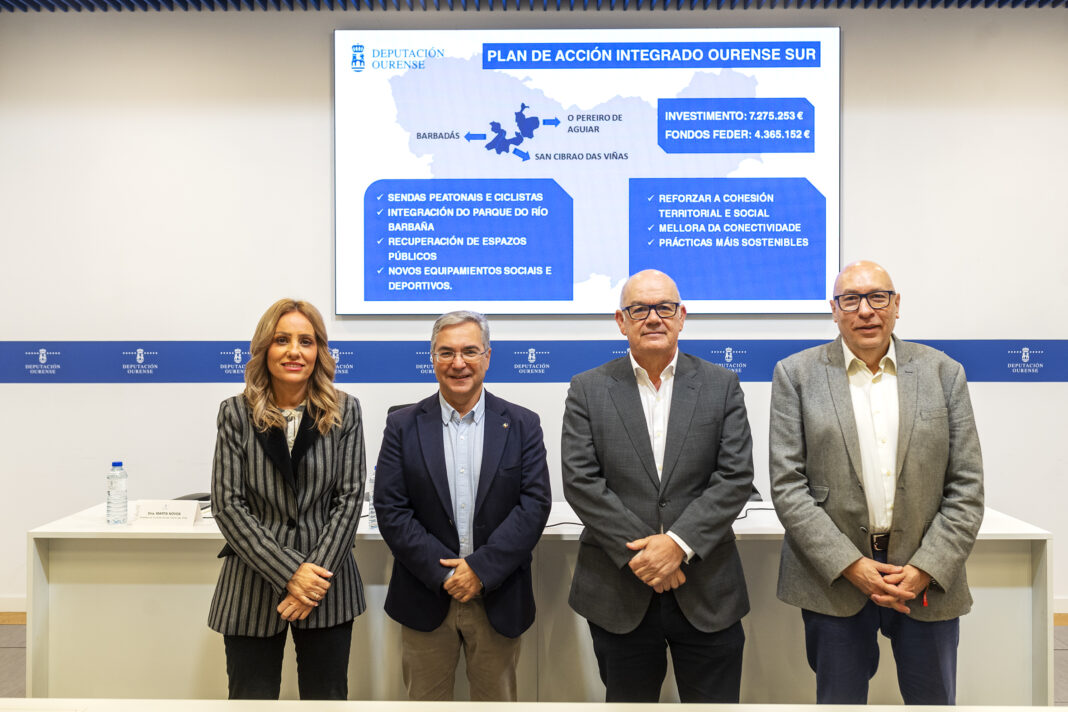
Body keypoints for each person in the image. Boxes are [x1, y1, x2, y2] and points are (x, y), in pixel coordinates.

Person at [769, 260, 984, 704]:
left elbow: (967, 485)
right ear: (834, 310)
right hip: (835, 578)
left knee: (933, 701)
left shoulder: (943, 372)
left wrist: (927, 567)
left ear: (896, 304)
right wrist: (851, 564)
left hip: (924, 574)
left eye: (877, 298)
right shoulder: (796, 375)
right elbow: (788, 486)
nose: (865, 310)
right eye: (851, 300)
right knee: (840, 701)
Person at [562, 269, 755, 703]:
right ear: (621, 321)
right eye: (639, 309)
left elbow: (735, 476)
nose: (653, 318)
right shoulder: (587, 389)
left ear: (681, 316)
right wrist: (651, 555)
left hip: (707, 589)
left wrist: (677, 546)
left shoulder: (722, 385)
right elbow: (581, 482)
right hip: (618, 591)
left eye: (664, 308)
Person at [374, 310, 552, 701]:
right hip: (425, 595)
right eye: (446, 352)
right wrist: (447, 574)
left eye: (470, 351)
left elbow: (534, 505)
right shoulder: (402, 425)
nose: (458, 363)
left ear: (487, 356)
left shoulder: (522, 424)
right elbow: (391, 510)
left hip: (498, 597)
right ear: (432, 358)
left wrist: (480, 570)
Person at [208, 298, 366, 700]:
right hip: (252, 586)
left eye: (305, 341)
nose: (294, 351)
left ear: (319, 352)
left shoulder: (346, 410)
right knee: (250, 702)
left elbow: (349, 500)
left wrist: (311, 580)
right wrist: (290, 573)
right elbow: (227, 505)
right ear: (264, 349)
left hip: (326, 588)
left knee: (327, 701)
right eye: (282, 340)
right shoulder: (235, 413)